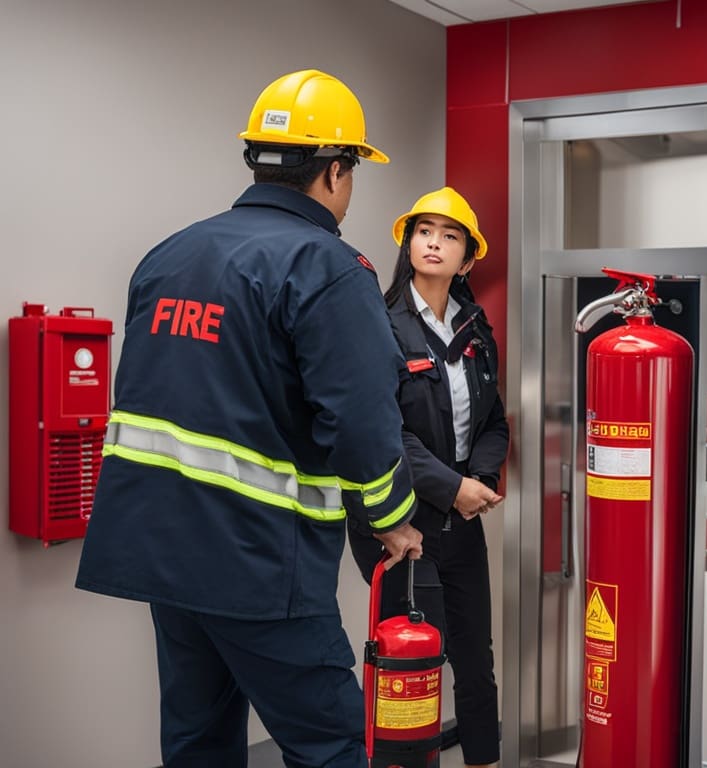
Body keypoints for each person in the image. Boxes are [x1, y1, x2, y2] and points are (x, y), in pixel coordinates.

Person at [75, 69, 423, 768]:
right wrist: (392, 517)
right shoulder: (326, 266)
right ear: (333, 171)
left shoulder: (170, 255)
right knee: (332, 748)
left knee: (198, 743)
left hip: (164, 557)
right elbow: (359, 423)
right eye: (350, 170)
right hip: (262, 565)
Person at [347, 187, 509, 768]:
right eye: (424, 231)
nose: (434, 242)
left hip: (461, 518)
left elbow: (492, 419)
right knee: (412, 659)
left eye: (450, 234)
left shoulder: (473, 329)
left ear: (467, 259)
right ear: (408, 243)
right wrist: (451, 487)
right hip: (399, 521)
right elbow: (383, 429)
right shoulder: (381, 325)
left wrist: (481, 481)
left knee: (474, 656)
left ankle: (484, 761)